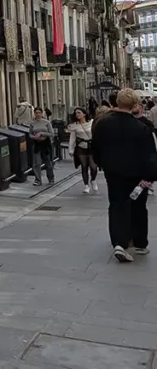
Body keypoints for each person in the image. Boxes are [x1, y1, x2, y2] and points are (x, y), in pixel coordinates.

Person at [92, 87, 157, 263]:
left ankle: (119, 243)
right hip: (137, 175)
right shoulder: (141, 127)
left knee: (117, 205)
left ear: (117, 102)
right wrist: (150, 176)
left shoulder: (102, 124)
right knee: (138, 207)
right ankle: (140, 243)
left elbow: (95, 147)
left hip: (113, 173)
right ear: (135, 105)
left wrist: (101, 163)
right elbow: (150, 154)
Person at [68, 107, 98, 194]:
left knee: (93, 166)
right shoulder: (75, 125)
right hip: (81, 148)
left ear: (84, 114)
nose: (77, 114)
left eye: (79, 113)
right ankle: (86, 185)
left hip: (91, 147)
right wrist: (71, 149)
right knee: (84, 166)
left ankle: (93, 180)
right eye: (76, 113)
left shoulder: (92, 123)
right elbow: (72, 138)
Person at [28, 106, 55, 186]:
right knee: (36, 163)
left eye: (39, 113)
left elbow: (51, 134)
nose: (38, 114)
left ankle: (51, 178)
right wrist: (34, 137)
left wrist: (42, 133)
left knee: (48, 162)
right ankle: (38, 180)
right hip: (36, 144)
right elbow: (30, 134)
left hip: (46, 144)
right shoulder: (32, 123)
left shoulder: (46, 122)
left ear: (42, 113)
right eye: (36, 113)